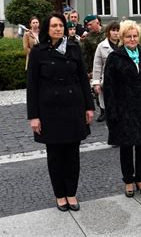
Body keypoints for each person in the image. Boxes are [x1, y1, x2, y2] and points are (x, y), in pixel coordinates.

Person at [26, 12, 94, 212]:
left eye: (61, 25)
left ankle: (71, 193)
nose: (58, 29)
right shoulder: (39, 52)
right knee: (55, 156)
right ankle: (59, 195)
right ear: (47, 28)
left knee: (73, 155)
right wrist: (34, 116)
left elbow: (83, 78)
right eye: (54, 26)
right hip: (49, 111)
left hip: (74, 106)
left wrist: (89, 107)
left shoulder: (73, 48)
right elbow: (32, 86)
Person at [103, 20, 141, 197]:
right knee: (126, 146)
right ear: (122, 38)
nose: (132, 39)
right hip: (124, 108)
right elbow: (109, 87)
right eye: (128, 36)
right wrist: (111, 112)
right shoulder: (115, 57)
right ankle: (128, 180)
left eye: (135, 36)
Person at [92, 21, 120, 122]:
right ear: (108, 32)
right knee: (109, 106)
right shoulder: (101, 46)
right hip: (108, 81)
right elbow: (97, 65)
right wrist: (96, 83)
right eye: (113, 30)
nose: (116, 33)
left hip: (123, 81)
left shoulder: (124, 44)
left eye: (118, 30)